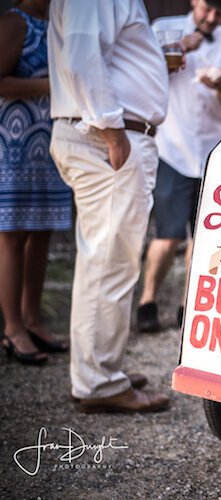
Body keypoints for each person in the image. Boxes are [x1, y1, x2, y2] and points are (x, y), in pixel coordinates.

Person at [48, 0, 171, 413]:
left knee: (104, 261)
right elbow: (82, 52)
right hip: (106, 140)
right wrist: (113, 130)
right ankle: (99, 381)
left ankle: (98, 369)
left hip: (105, 137)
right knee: (109, 264)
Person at [137, 0, 221, 333]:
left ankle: (190, 306)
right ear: (194, 3)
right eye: (208, 10)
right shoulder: (162, 29)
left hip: (213, 151)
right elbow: (140, 76)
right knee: (169, 235)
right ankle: (148, 301)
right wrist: (179, 48)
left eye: (220, 12)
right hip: (170, 146)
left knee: (204, 237)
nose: (213, 18)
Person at [0, 0, 71, 365]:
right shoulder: (16, 22)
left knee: (42, 231)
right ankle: (12, 329)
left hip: (51, 147)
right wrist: (50, 85)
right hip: (15, 146)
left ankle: (33, 319)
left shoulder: (59, 21)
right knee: (12, 235)